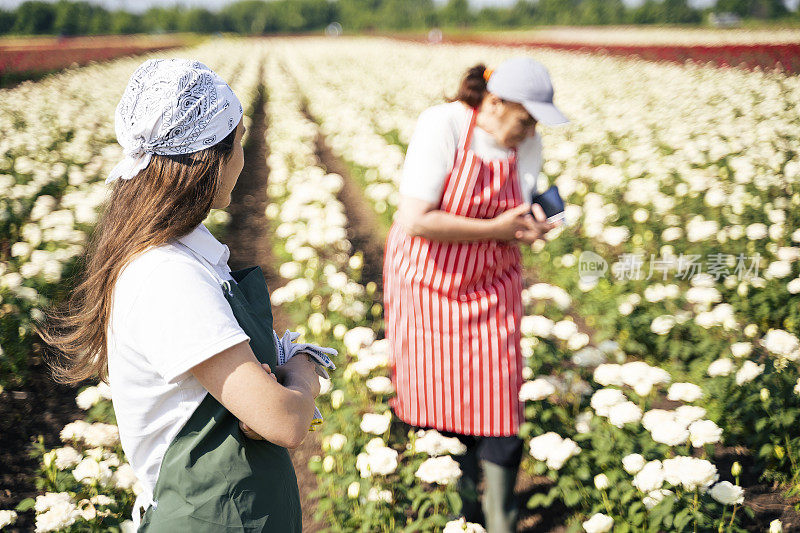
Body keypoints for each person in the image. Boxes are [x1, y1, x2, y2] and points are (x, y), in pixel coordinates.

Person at [38, 58, 326, 532]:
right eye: (238, 144)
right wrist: (303, 368)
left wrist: (277, 390)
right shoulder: (169, 278)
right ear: (210, 160)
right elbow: (284, 422)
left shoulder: (180, 261)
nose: (243, 159)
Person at [383, 56, 569, 532]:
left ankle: (500, 520)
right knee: (440, 405)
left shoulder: (525, 145)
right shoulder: (442, 125)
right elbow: (416, 218)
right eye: (524, 121)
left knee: (501, 404)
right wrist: (494, 227)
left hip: (491, 283)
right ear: (493, 102)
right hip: (429, 283)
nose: (528, 134)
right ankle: (459, 515)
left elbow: (517, 209)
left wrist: (528, 228)